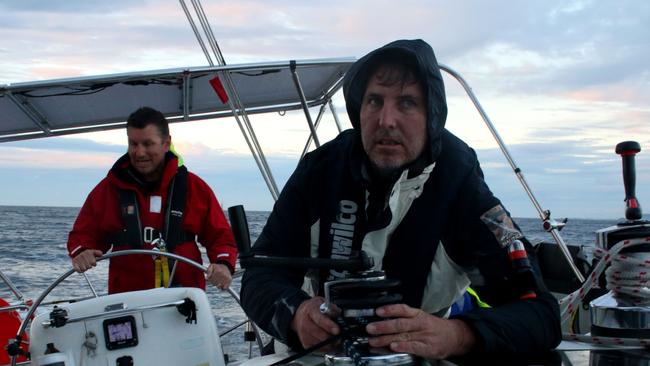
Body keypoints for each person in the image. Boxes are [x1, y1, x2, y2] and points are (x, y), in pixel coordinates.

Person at [240, 39, 561, 359]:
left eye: (407, 103)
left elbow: (540, 313)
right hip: (319, 353)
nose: (386, 120)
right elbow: (259, 275)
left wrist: (457, 335)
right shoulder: (320, 172)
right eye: (375, 101)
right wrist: (297, 315)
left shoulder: (460, 185)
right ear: (358, 110)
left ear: (432, 114)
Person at [67, 107, 237, 293]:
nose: (140, 153)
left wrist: (223, 263)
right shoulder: (108, 189)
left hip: (184, 301)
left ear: (166, 143)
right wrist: (82, 251)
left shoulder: (194, 188)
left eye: (148, 144)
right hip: (126, 302)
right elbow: (82, 234)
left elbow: (221, 236)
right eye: (134, 144)